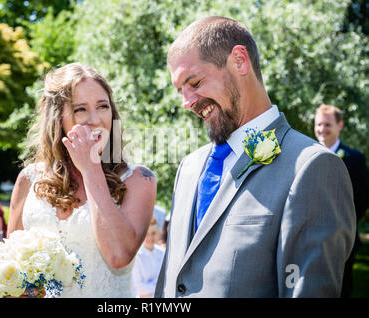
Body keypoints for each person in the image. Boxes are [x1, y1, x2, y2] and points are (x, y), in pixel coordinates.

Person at [155, 16, 356, 298]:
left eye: (195, 82)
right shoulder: (188, 168)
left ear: (239, 61)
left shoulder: (312, 167)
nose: (187, 103)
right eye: (180, 91)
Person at [7, 62, 157, 297]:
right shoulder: (29, 178)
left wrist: (90, 168)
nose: (95, 119)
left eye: (102, 106)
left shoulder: (138, 180)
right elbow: (11, 263)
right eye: (80, 109)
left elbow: (118, 255)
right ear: (57, 118)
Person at [314, 103, 369, 298]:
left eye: (327, 125)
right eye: (319, 124)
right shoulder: (305, 155)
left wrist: (343, 224)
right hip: (309, 237)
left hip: (343, 237)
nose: (322, 129)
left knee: (341, 288)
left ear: (340, 126)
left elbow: (363, 197)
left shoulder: (355, 158)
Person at [132, 218, 165, 298]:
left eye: (153, 233)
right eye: (146, 233)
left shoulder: (163, 252)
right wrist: (159, 284)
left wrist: (150, 285)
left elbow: (166, 278)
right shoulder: (136, 256)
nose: (150, 237)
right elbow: (139, 288)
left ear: (158, 233)